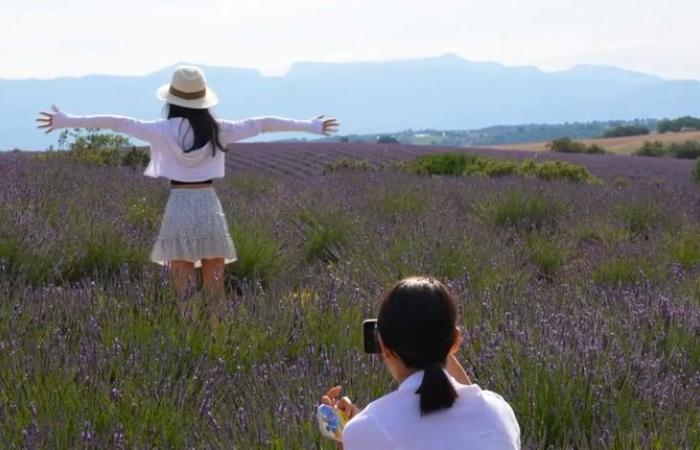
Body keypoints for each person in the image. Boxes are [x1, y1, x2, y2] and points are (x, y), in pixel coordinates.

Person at [36, 65, 339, 306]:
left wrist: (67, 120)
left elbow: (116, 122)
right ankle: (218, 340)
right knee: (215, 288)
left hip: (179, 204)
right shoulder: (219, 129)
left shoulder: (160, 130)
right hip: (208, 204)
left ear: (172, 99)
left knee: (183, 289)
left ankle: (191, 339)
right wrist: (308, 126)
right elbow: (263, 123)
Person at [321, 277, 520, 449]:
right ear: (455, 342)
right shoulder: (499, 413)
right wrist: (435, 342)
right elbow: (460, 418)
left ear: (384, 347)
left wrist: (347, 435)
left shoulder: (365, 429)